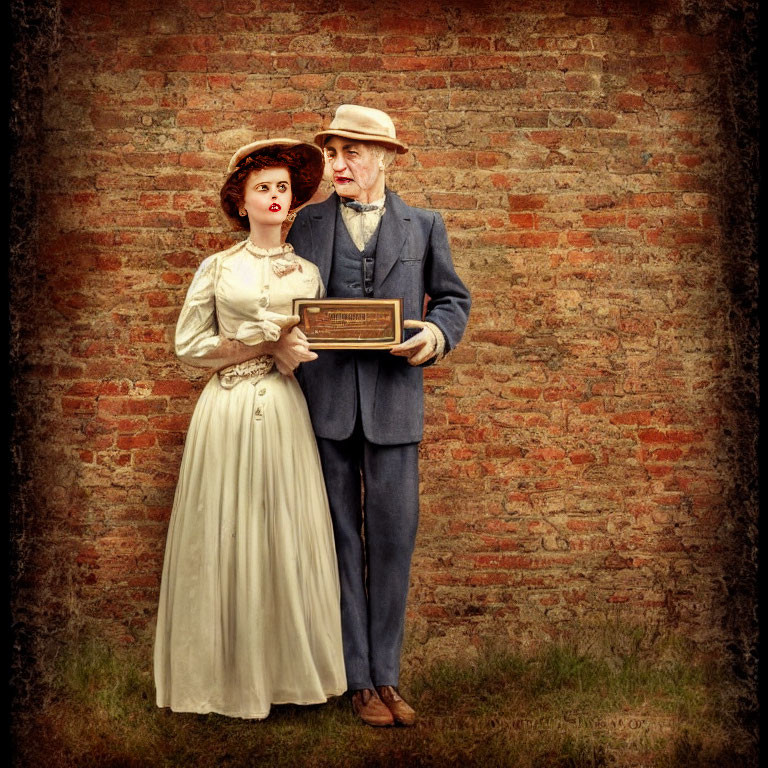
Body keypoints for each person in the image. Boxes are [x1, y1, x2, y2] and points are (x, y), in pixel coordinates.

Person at [286, 105, 471, 726]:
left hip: (395, 407)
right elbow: (275, 294)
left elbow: (452, 300)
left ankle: (389, 678)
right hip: (323, 406)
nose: (338, 165)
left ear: (387, 158)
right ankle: (357, 680)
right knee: (338, 541)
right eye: (333, 153)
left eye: (352, 153)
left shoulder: (424, 225)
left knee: (392, 541)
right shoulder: (304, 224)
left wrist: (436, 337)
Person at [154, 138, 346, 719]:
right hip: (228, 409)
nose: (274, 196)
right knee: (225, 526)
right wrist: (262, 342)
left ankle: (285, 675)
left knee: (280, 528)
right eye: (262, 187)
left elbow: (317, 341)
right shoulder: (217, 268)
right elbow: (188, 348)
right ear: (241, 201)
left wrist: (295, 351)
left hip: (284, 410)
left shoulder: (309, 273)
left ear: (292, 204)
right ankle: (219, 676)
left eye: (283, 188)